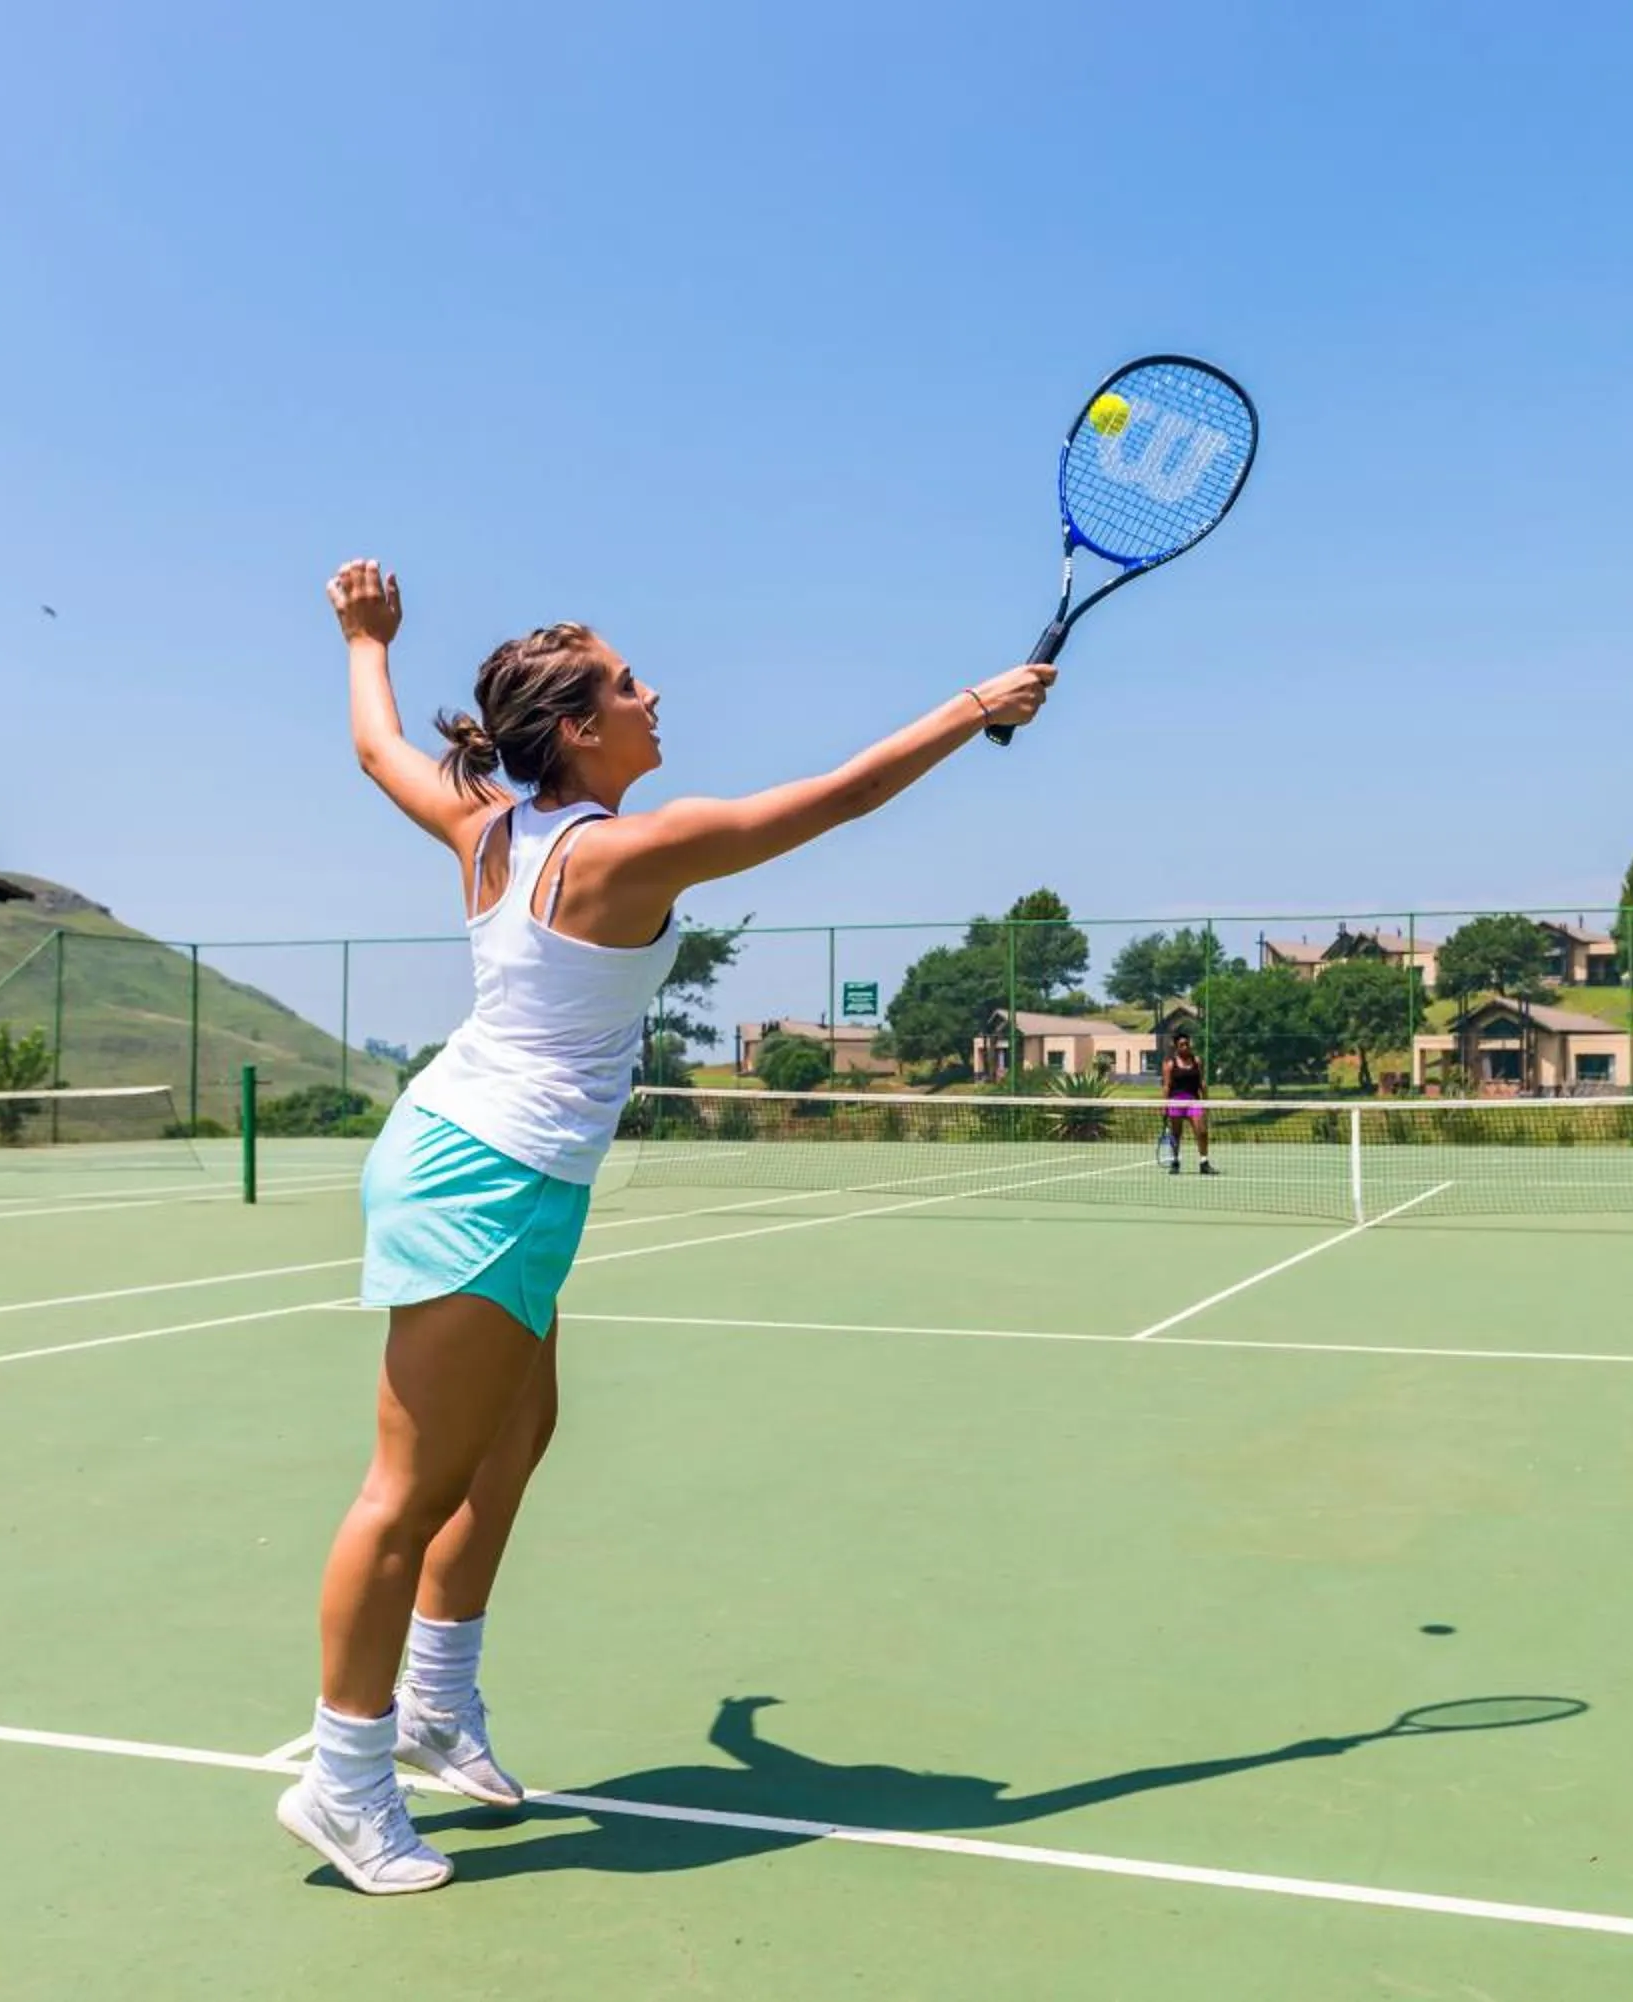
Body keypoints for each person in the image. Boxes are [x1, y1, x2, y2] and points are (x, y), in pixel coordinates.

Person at [280, 559, 1054, 1894]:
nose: (654, 691)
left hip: (504, 1169)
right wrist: (973, 704)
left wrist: (365, 638)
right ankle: (343, 1784)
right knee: (404, 1492)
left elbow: (372, 743)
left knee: (516, 1439)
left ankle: (434, 1707)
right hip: (481, 1172)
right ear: (577, 727)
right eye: (629, 681)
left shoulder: (488, 825)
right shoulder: (632, 845)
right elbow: (844, 795)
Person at [1160, 1028, 1213, 1174]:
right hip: (1176, 1101)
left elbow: (1202, 1082)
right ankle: (1175, 1162)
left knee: (1202, 1131)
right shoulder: (1170, 1064)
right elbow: (1166, 1085)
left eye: (1187, 1044)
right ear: (1176, 1047)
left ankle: (1204, 1162)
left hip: (1193, 1101)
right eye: (1182, 1044)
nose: (1186, 1047)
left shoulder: (1197, 1061)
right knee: (1176, 1134)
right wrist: (1164, 1106)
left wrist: (1206, 1101)